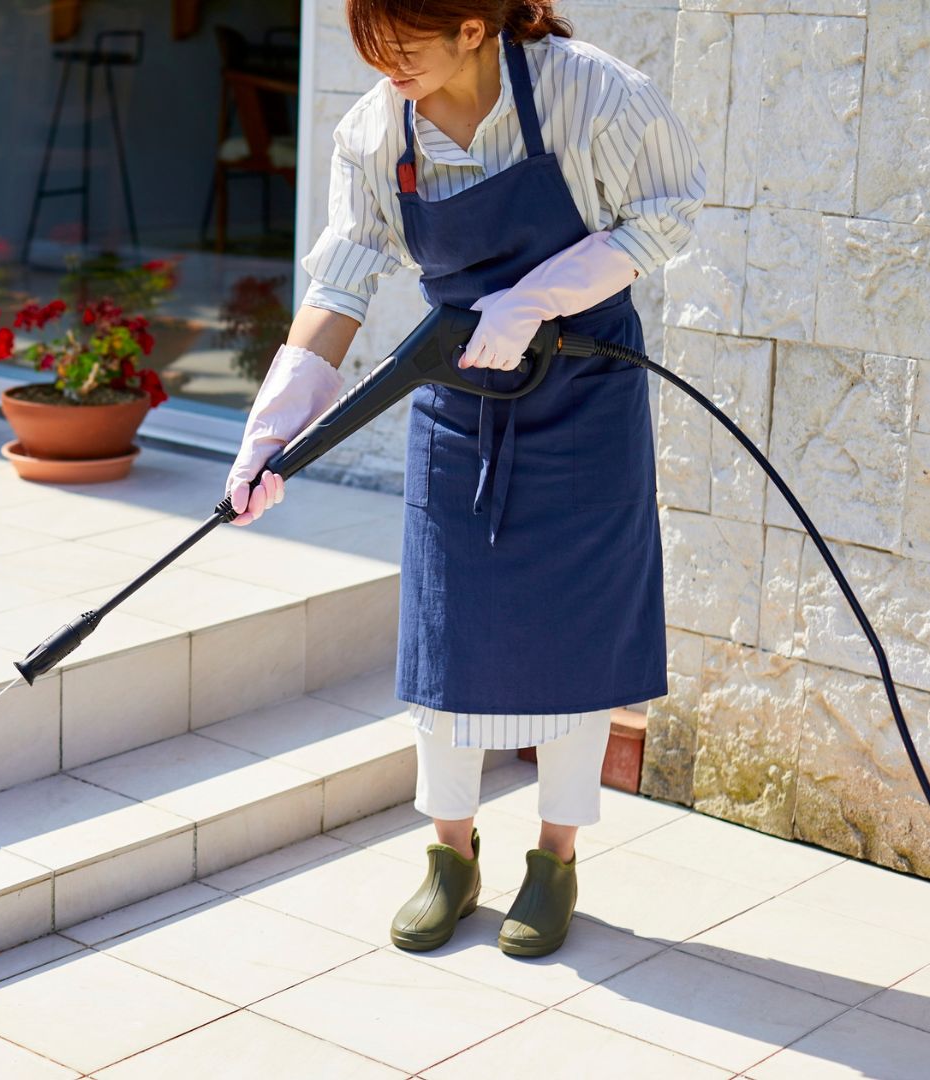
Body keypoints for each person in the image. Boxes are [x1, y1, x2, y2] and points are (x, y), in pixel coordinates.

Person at [224, 0, 704, 957]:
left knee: (574, 635)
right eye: (368, 46)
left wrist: (535, 299)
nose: (382, 66)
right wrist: (272, 426)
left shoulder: (593, 94)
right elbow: (340, 283)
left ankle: (555, 859)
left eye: (402, 47)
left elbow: (664, 217)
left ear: (476, 29)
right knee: (446, 633)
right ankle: (450, 854)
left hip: (587, 390)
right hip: (457, 393)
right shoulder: (375, 129)